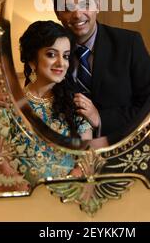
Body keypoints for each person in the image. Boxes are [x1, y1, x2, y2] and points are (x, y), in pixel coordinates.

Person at [51, 0, 150, 144]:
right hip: (69, 158)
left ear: (98, 5)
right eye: (68, 8)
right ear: (57, 13)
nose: (77, 14)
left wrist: (101, 119)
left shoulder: (129, 44)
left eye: (85, 4)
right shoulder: (50, 50)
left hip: (127, 154)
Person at [15, 20, 92, 180]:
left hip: (69, 196)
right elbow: (2, 164)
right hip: (24, 200)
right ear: (32, 60)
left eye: (65, 56)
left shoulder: (75, 103)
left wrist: (63, 189)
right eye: (51, 54)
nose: (61, 63)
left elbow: (87, 159)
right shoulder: (11, 106)